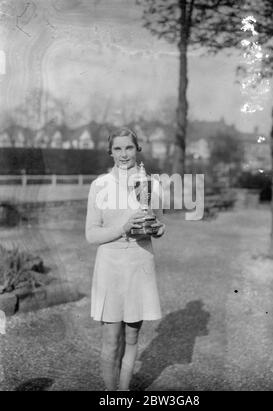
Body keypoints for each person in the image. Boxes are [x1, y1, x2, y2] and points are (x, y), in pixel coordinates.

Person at [85, 127, 166, 391]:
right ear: (110, 152)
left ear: (137, 149)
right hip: (110, 265)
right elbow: (91, 235)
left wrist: (159, 228)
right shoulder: (100, 185)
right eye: (118, 148)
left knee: (132, 337)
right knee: (111, 339)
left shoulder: (149, 182)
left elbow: (156, 219)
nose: (123, 154)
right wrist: (123, 228)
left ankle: (124, 393)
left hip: (140, 262)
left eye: (128, 148)